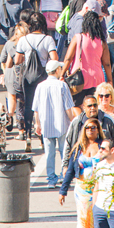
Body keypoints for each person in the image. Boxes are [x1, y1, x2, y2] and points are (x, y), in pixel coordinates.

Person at [32, 60, 74, 188]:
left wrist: (37, 124)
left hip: (46, 124)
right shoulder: (62, 86)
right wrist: (73, 121)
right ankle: (63, 175)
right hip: (62, 123)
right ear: (57, 71)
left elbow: (36, 108)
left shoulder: (40, 86)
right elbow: (68, 107)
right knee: (64, 151)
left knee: (49, 153)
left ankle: (51, 179)